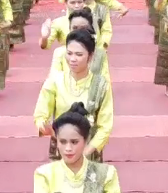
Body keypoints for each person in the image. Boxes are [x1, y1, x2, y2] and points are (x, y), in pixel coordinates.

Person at [34, 29, 113, 163]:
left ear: (91, 56)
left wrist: (86, 152)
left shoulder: (101, 85)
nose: (72, 59)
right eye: (69, 53)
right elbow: (40, 114)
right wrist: (44, 127)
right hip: (61, 148)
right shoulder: (55, 81)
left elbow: (105, 126)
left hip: (89, 151)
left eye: (79, 54)